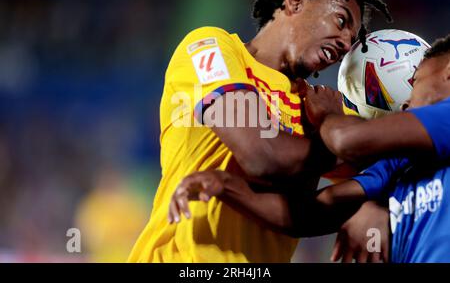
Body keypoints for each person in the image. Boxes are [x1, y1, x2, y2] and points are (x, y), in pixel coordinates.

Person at [128, 0, 390, 262]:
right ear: (295, 0)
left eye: (352, 40)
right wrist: (340, 139)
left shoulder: (318, 106)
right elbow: (261, 155)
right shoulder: (210, 48)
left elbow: (365, 184)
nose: (345, 44)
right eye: (340, 21)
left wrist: (370, 205)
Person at [169, 34, 450, 262]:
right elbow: (309, 214)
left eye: (417, 80)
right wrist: (226, 185)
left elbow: (346, 140)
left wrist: (329, 114)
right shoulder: (400, 163)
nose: (406, 99)